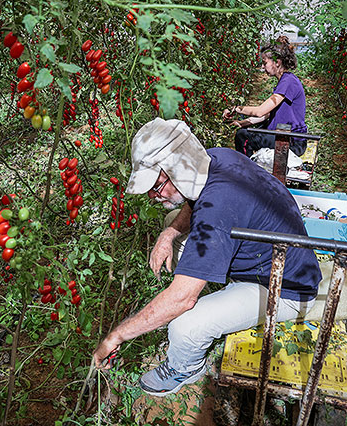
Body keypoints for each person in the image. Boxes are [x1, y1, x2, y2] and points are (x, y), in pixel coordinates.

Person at [92, 118, 322, 397]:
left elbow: (182, 298)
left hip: (284, 289)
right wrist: (168, 234)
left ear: (178, 169)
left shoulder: (217, 212)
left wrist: (116, 335)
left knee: (185, 326)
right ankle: (206, 278)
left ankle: (184, 368)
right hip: (271, 257)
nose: (153, 195)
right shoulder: (217, 158)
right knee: (172, 224)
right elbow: (193, 201)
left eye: (157, 185)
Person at [223, 36, 308, 157]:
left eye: (265, 63)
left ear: (277, 62)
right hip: (284, 135)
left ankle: (248, 173)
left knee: (242, 136)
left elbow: (260, 111)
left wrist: (235, 108)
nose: (262, 67)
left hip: (292, 142)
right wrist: (242, 123)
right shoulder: (286, 80)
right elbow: (267, 115)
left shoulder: (288, 82)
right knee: (249, 129)